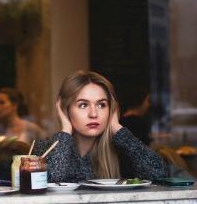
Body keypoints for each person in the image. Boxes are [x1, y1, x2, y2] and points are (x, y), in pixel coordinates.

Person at [33, 71, 168, 183]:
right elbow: (49, 180)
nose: (93, 114)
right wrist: (66, 131)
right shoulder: (45, 150)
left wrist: (117, 128)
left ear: (111, 109)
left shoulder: (122, 151)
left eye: (101, 105)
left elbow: (159, 175)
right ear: (65, 109)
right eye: (83, 105)